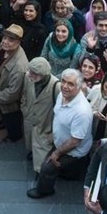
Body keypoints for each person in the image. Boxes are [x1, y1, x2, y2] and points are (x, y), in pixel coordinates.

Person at [28, 68, 93, 199]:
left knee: (47, 167)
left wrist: (56, 153)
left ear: (79, 87)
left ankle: (44, 190)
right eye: (63, 81)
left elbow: (75, 141)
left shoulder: (82, 111)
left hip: (73, 151)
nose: (64, 86)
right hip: (61, 141)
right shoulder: (63, 95)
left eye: (70, 84)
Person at [21, 56, 60, 174]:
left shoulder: (56, 86)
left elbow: (59, 113)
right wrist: (24, 109)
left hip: (44, 126)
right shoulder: (28, 78)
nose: (29, 74)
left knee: (42, 158)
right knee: (31, 144)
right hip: (29, 120)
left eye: (33, 73)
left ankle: (40, 173)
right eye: (30, 71)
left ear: (43, 75)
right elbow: (24, 94)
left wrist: (53, 132)